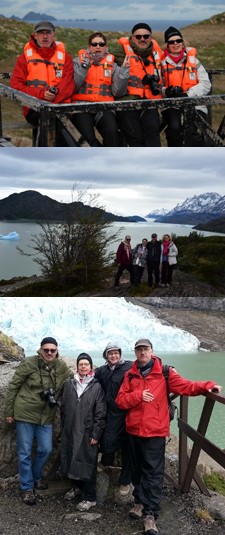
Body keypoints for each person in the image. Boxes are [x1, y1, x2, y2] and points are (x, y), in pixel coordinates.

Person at [115, 338, 222, 535]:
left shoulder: (164, 373)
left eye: (145, 349)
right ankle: (139, 502)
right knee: (137, 470)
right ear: (135, 353)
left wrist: (208, 385)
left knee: (153, 473)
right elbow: (121, 401)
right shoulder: (130, 375)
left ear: (152, 351)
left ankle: (151, 514)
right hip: (133, 431)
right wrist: (138, 396)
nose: (142, 353)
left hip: (155, 431)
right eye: (139, 350)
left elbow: (186, 386)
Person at [3, 337, 72, 506]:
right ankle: (27, 488)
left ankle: (35, 476)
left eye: (52, 350)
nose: (49, 353)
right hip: (25, 413)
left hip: (46, 416)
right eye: (46, 349)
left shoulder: (61, 366)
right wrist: (9, 411)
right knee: (25, 451)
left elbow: (74, 378)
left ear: (57, 351)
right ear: (40, 350)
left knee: (46, 449)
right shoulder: (29, 363)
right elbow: (14, 386)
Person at [10, 21, 75, 134]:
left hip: (60, 106)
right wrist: (41, 94)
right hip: (33, 107)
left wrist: (55, 96)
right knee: (56, 124)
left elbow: (68, 84)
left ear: (53, 34)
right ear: (35, 35)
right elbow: (16, 86)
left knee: (57, 124)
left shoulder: (65, 58)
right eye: (41, 33)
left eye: (48, 32)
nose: (45, 36)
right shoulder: (24, 58)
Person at [61, 353, 106, 511]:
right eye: (81, 364)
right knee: (71, 457)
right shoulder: (69, 384)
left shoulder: (96, 386)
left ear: (91, 367)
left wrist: (96, 433)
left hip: (87, 431)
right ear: (77, 366)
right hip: (70, 429)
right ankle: (76, 487)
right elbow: (64, 408)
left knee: (88, 462)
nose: (83, 367)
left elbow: (100, 413)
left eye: (86, 364)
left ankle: (90, 497)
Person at [71, 32, 130, 146]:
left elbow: (118, 92)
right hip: (81, 106)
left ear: (106, 47)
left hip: (105, 106)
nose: (98, 47)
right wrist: (83, 68)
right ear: (89, 47)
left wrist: (124, 72)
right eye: (94, 44)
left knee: (112, 133)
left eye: (101, 44)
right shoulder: (78, 61)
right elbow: (74, 86)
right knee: (86, 139)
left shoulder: (113, 65)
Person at [161, 26, 211, 146]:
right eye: (171, 42)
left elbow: (206, 84)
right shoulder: (161, 64)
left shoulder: (194, 61)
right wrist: (167, 91)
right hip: (172, 106)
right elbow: (158, 86)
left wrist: (188, 94)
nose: (175, 44)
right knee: (174, 129)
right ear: (167, 45)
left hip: (196, 105)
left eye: (178, 40)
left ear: (183, 42)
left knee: (191, 131)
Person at [114, 23, 162, 146]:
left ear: (151, 38)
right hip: (127, 102)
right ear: (132, 38)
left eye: (146, 36)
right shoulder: (120, 52)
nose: (142, 39)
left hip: (149, 101)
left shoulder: (157, 54)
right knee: (135, 137)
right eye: (138, 36)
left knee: (153, 134)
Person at [95, 343, 132, 496]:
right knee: (108, 439)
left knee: (128, 447)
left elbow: (149, 365)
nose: (114, 356)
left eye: (116, 353)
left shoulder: (129, 367)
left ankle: (125, 481)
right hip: (109, 412)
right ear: (106, 355)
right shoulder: (102, 371)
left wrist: (167, 368)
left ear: (120, 354)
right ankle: (106, 461)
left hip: (127, 412)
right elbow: (90, 378)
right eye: (110, 353)